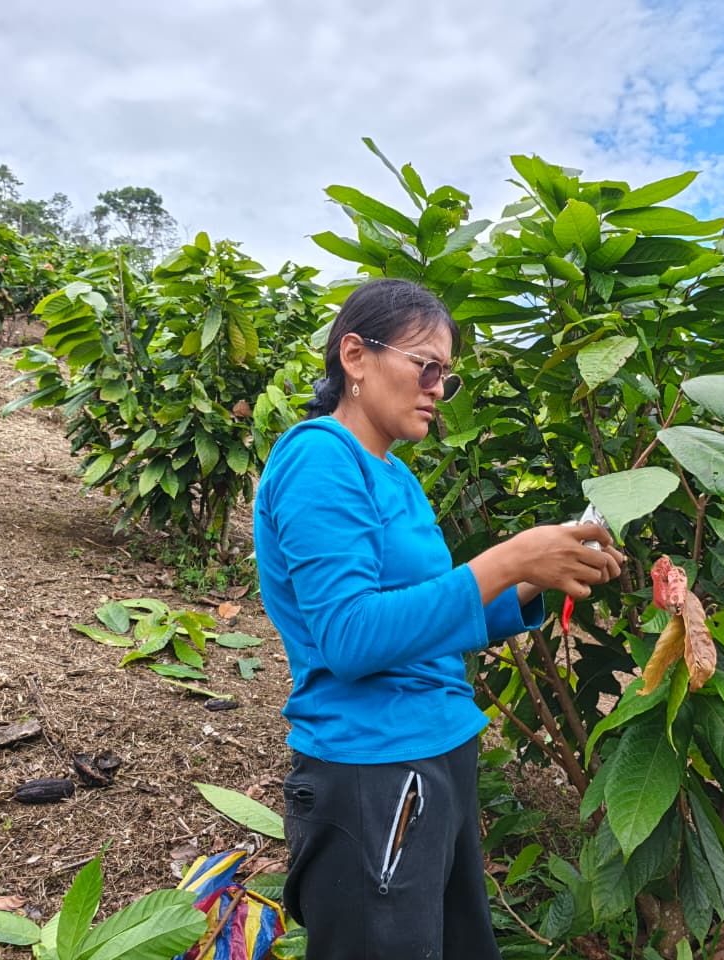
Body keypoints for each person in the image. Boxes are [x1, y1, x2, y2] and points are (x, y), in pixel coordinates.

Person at [252, 278, 624, 960]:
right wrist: (507, 560)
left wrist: (535, 576)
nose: (436, 389)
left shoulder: (395, 475)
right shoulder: (318, 456)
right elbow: (350, 636)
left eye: (444, 377)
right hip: (372, 768)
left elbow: (427, 618)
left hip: (436, 750)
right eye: (426, 366)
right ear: (355, 356)